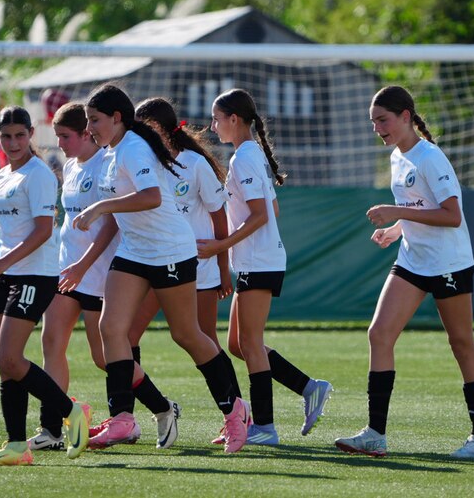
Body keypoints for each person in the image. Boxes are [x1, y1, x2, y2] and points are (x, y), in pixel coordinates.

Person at [74, 84, 250, 453]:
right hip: (135, 251)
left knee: (186, 334)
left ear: (117, 118)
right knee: (112, 329)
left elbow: (151, 197)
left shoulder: (134, 147)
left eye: (94, 120)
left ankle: (235, 410)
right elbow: (121, 208)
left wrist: (100, 207)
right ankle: (122, 419)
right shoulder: (112, 152)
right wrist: (85, 255)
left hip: (170, 250)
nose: (89, 128)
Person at [334, 85, 474, 459]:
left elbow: (452, 216)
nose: (377, 128)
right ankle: (375, 434)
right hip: (412, 259)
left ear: (405, 116)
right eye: (373, 122)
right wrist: (396, 229)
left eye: (383, 120)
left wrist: (396, 212)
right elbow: (418, 206)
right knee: (379, 334)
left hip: (448, 263)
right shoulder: (397, 157)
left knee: (461, 342)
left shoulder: (430, 157)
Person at [28, 102, 179, 451]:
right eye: (57, 136)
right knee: (51, 341)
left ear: (86, 133)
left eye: (65, 136)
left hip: (97, 273)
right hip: (67, 270)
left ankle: (162, 407)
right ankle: (52, 429)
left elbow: (111, 223)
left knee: (105, 358)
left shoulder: (106, 164)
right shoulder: (71, 165)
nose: (59, 143)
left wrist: (83, 265)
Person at [198, 88, 333, 445]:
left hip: (259, 262)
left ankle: (265, 428)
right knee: (238, 344)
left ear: (234, 119)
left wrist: (220, 246)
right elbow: (272, 210)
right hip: (257, 259)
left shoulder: (244, 158)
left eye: (216, 119)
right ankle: (309, 387)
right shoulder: (251, 154)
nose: (212, 126)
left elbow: (260, 215)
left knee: (251, 343)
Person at [0, 106, 88, 466]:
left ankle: (71, 412)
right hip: (7, 275)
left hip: (34, 275)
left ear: (31, 134)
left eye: (20, 135)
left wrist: (3, 262)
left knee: (10, 357)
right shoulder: (2, 174)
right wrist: (3, 266)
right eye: (6, 136)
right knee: (4, 364)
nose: (13, 142)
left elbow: (42, 231)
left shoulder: (38, 174)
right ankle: (16, 446)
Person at [127, 98, 244, 433]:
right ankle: (128, 416)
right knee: (126, 336)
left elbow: (219, 220)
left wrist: (223, 269)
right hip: (157, 261)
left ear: (160, 128)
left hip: (198, 265)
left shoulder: (194, 163)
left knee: (204, 340)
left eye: (144, 126)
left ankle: (236, 414)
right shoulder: (146, 162)